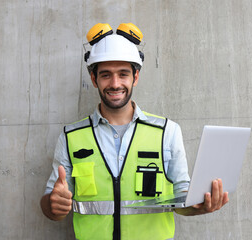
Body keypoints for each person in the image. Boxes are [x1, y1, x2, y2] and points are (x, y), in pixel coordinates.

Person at [40, 23, 229, 240]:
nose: (115, 83)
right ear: (94, 79)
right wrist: (53, 204)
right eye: (105, 75)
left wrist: (199, 206)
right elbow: (49, 203)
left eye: (123, 74)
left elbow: (181, 200)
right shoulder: (71, 137)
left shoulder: (167, 132)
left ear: (135, 77)